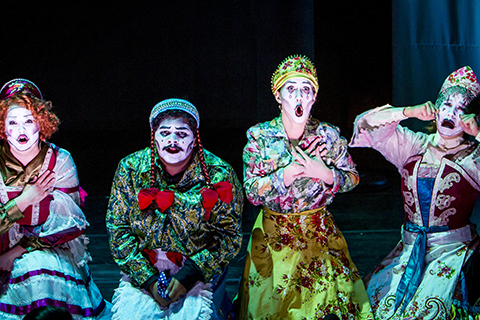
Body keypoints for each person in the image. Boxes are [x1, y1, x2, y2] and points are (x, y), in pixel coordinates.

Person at [235, 55, 373, 319]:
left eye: (306, 89)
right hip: (274, 238)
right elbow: (251, 192)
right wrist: (286, 175)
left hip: (318, 233)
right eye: (291, 89)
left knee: (326, 308)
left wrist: (326, 174)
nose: (299, 95)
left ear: (314, 97)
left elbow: (352, 177)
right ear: (278, 96)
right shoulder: (260, 137)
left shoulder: (328, 135)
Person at [349, 65, 480, 319]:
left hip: (453, 255)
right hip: (408, 253)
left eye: (460, 108)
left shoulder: (472, 157)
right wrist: (407, 112)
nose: (450, 112)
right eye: (445, 104)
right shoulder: (414, 146)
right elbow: (363, 126)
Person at [106, 98, 243, 320]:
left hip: (197, 268)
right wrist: (149, 281)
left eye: (181, 134)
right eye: (165, 133)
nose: (172, 141)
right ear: (154, 136)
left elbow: (229, 236)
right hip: (145, 268)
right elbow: (118, 230)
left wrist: (189, 276)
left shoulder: (219, 172)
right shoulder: (130, 168)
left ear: (194, 137)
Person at [0, 79, 110, 319]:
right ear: (3, 127)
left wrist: (14, 253)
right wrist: (23, 200)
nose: (21, 130)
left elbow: (67, 227)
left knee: (39, 271)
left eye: (29, 121)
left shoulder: (59, 160)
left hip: (48, 249)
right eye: (13, 122)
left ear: (41, 124)